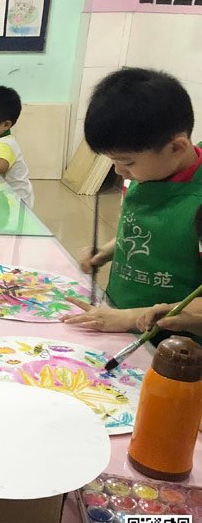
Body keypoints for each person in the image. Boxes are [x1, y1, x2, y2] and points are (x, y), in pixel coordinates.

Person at [61, 68, 201, 338]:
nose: (119, 171)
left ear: (176, 148)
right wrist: (106, 251)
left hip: (172, 344)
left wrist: (129, 317)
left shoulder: (197, 201)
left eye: (127, 162)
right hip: (118, 319)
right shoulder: (151, 173)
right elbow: (146, 234)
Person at [65, 207, 202, 340]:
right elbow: (138, 229)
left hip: (173, 334)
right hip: (119, 311)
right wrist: (107, 251)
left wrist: (129, 317)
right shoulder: (137, 191)